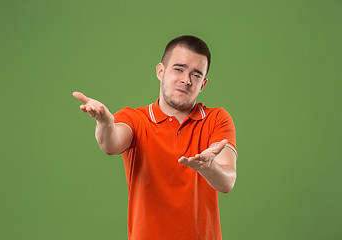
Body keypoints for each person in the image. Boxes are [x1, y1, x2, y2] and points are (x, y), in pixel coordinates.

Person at [73, 35, 237, 240]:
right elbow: (111, 143)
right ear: (161, 71)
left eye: (195, 74)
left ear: (203, 84)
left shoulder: (217, 119)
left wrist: (207, 167)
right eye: (179, 69)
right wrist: (105, 123)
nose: (186, 80)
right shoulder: (135, 118)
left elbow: (227, 182)